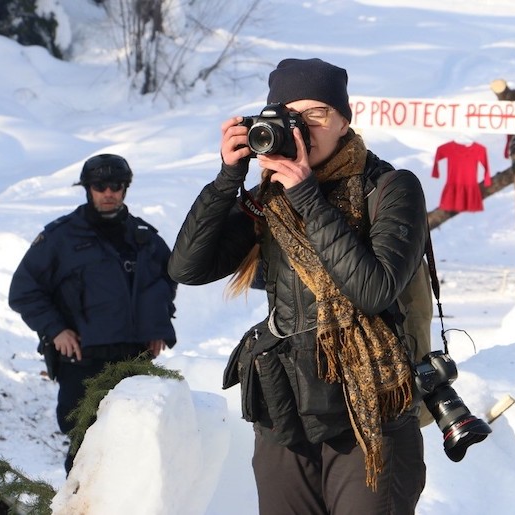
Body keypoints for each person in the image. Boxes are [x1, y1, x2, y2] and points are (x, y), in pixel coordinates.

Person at [169, 57, 428, 514]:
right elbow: (187, 268)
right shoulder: (269, 197)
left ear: (344, 121)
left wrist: (307, 195)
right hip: (285, 403)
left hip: (368, 403)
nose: (303, 127)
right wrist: (229, 178)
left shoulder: (391, 188)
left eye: (317, 114)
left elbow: (373, 291)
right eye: (290, 115)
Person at [8, 154, 177, 473]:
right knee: (86, 447)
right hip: (82, 362)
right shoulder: (60, 238)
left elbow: (162, 284)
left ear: (126, 189)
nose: (109, 192)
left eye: (116, 185)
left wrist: (157, 327)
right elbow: (24, 290)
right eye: (100, 185)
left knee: (136, 443)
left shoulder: (145, 238)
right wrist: (55, 329)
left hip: (134, 359)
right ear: (88, 188)